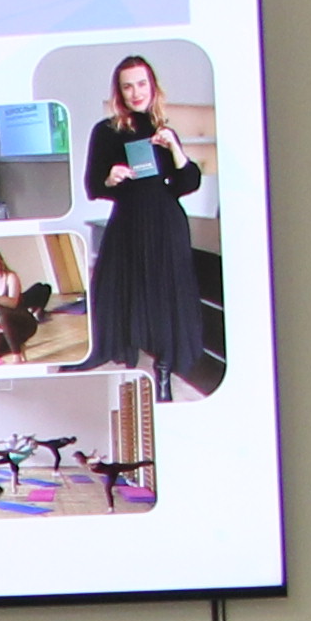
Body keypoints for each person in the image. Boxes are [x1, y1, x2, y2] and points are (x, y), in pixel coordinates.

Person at [75, 54, 211, 397]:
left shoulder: (164, 131)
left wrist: (175, 149)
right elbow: (92, 187)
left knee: (165, 297)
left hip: (166, 223)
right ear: (119, 92)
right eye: (128, 86)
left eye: (141, 84)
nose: (136, 92)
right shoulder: (105, 132)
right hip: (128, 223)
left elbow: (186, 184)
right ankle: (129, 364)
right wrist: (111, 178)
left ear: (152, 87)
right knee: (127, 293)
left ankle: (163, 373)